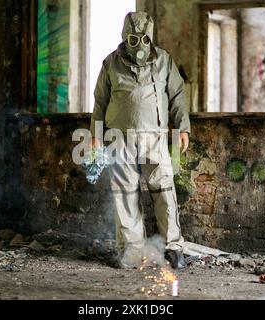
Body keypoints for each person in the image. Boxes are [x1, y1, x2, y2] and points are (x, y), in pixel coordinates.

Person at [90, 11, 190, 269]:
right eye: (133, 39)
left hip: (154, 136)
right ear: (124, 37)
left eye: (145, 39)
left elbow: (177, 95)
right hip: (118, 138)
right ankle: (132, 250)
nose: (140, 45)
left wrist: (182, 128)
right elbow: (100, 101)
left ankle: (173, 248)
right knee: (124, 193)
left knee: (164, 189)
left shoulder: (164, 61)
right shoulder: (110, 63)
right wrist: (95, 136)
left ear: (151, 38)